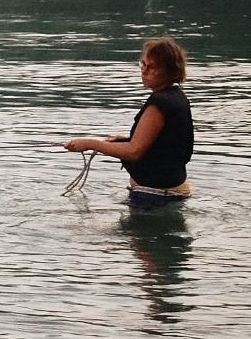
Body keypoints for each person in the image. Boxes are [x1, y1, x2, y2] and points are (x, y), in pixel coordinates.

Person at [64, 37, 194, 210]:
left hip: (154, 195)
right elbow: (165, 144)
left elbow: (134, 152)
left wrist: (90, 144)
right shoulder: (177, 97)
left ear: (169, 71)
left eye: (152, 67)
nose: (144, 71)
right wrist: (123, 140)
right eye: (143, 64)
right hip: (174, 187)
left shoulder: (159, 103)